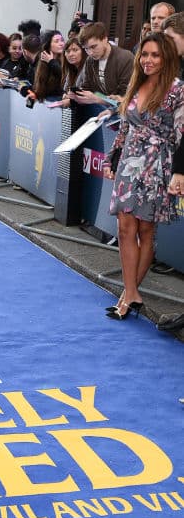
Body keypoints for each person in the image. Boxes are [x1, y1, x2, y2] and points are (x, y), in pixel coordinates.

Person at [102, 31, 184, 319]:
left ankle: (128, 296)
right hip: (129, 161)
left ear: (167, 58)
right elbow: (126, 125)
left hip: (157, 165)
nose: (148, 60)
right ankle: (131, 293)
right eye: (145, 54)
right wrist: (113, 156)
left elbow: (183, 134)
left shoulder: (177, 90)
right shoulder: (137, 82)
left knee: (146, 229)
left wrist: (179, 172)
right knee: (125, 226)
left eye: (155, 55)